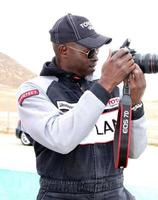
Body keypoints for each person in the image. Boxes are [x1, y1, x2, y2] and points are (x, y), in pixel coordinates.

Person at [17, 13, 147, 200]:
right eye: (90, 51)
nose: (96, 57)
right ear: (63, 50)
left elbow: (134, 151)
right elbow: (62, 140)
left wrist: (135, 104)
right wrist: (104, 85)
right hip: (61, 194)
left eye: (98, 50)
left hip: (114, 191)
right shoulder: (35, 90)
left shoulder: (110, 87)